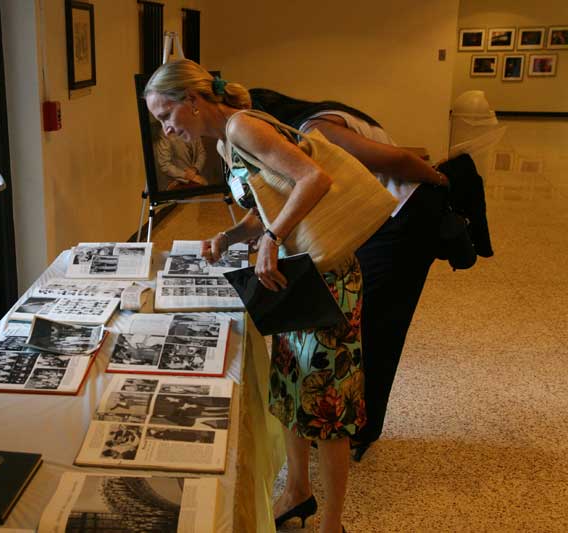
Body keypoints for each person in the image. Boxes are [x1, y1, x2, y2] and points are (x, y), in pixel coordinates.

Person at [144, 59, 373, 533]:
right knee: (291, 388)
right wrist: (230, 237)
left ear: (192, 100)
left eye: (166, 115)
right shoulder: (225, 142)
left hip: (324, 275)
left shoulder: (241, 126)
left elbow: (314, 180)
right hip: (294, 273)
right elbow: (273, 202)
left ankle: (333, 524)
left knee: (327, 404)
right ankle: (298, 492)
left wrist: (271, 238)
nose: (166, 129)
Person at [248, 88, 449, 461]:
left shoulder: (318, 129)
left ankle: (360, 430)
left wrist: (438, 179)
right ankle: (345, 426)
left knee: (379, 325)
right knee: (364, 324)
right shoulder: (303, 132)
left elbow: (400, 160)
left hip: (404, 216)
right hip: (378, 219)